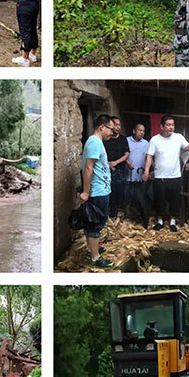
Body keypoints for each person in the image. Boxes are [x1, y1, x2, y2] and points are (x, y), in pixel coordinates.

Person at [142, 115, 189, 232]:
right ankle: (160, 221)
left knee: (174, 201)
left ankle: (172, 222)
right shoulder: (154, 140)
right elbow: (149, 156)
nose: (171, 127)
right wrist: (146, 172)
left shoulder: (178, 137)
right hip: (160, 176)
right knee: (159, 200)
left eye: (173, 124)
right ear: (161, 126)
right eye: (168, 125)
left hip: (175, 176)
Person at [80, 114, 115, 269]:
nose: (112, 133)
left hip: (101, 190)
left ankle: (92, 249)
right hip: (97, 191)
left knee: (93, 223)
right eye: (111, 130)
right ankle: (96, 258)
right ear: (102, 127)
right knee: (95, 224)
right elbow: (89, 167)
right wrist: (86, 192)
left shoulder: (97, 142)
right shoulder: (94, 142)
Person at [12, 0, 41, 67]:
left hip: (24, 3)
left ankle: (25, 58)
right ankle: (32, 54)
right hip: (34, 3)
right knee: (32, 28)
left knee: (25, 29)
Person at [102, 116, 130, 219]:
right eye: (116, 124)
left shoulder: (123, 139)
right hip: (105, 171)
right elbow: (101, 154)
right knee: (106, 193)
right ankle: (105, 216)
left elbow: (126, 154)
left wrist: (115, 163)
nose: (118, 127)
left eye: (119, 124)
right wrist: (108, 164)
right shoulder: (105, 139)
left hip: (119, 172)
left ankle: (113, 216)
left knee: (117, 194)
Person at [125, 123, 149, 205]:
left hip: (140, 175)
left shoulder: (146, 143)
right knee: (126, 196)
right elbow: (121, 155)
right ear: (134, 131)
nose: (142, 133)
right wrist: (127, 163)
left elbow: (148, 158)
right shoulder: (126, 141)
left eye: (143, 131)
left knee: (139, 197)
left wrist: (147, 171)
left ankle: (136, 213)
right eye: (140, 130)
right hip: (127, 174)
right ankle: (126, 212)